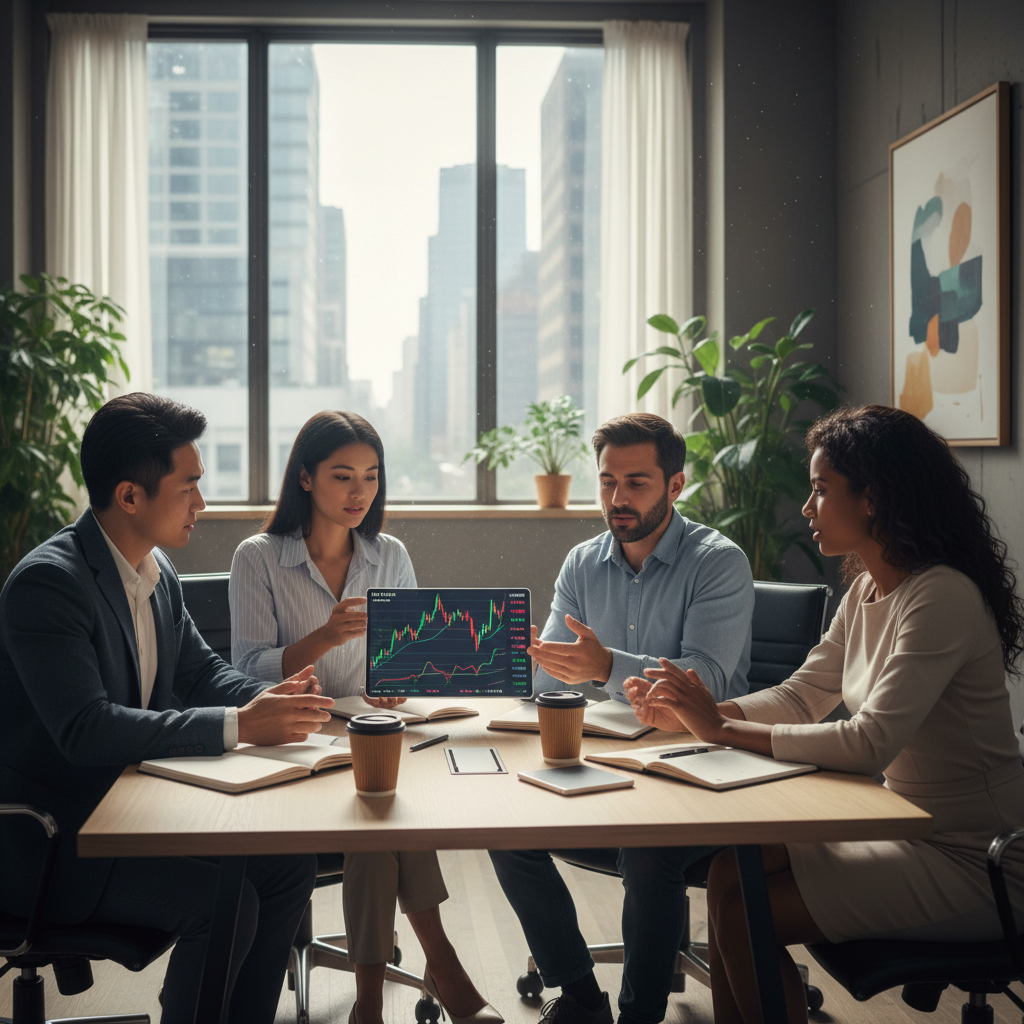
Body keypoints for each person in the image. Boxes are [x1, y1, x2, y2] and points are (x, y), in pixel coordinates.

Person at [627, 404, 1024, 1024]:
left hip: (977, 860)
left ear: (874, 497)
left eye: (819, 489)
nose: (807, 508)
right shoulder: (867, 587)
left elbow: (870, 744)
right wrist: (699, 712)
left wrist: (722, 728)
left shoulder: (940, 595)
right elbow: (799, 695)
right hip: (904, 826)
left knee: (743, 913)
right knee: (736, 871)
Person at [0, 392, 337, 1024]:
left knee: (288, 865)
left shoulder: (155, 572)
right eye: (189, 488)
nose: (202, 505)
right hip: (51, 845)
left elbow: (199, 672)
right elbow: (86, 730)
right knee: (224, 903)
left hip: (132, 814)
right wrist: (242, 726)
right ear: (130, 497)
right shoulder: (48, 585)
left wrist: (267, 701)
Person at [229, 410, 501, 1024]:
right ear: (305, 478)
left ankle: (370, 1007)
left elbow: (400, 672)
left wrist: (397, 689)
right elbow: (244, 672)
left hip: (372, 741)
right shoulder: (259, 558)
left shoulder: (389, 555)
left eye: (372, 477)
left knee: (379, 818)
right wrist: (324, 638)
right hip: (294, 746)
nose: (360, 493)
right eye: (342, 476)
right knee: (380, 823)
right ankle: (443, 968)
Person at [488, 412, 755, 1024]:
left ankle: (641, 1015)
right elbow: (551, 680)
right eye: (607, 482)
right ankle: (579, 993)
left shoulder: (718, 562)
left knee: (648, 844)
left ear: (676, 485)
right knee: (501, 824)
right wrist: (533, 662)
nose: (617, 498)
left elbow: (704, 687)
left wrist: (604, 664)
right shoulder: (582, 563)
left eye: (636, 483)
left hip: (701, 770)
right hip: (609, 763)